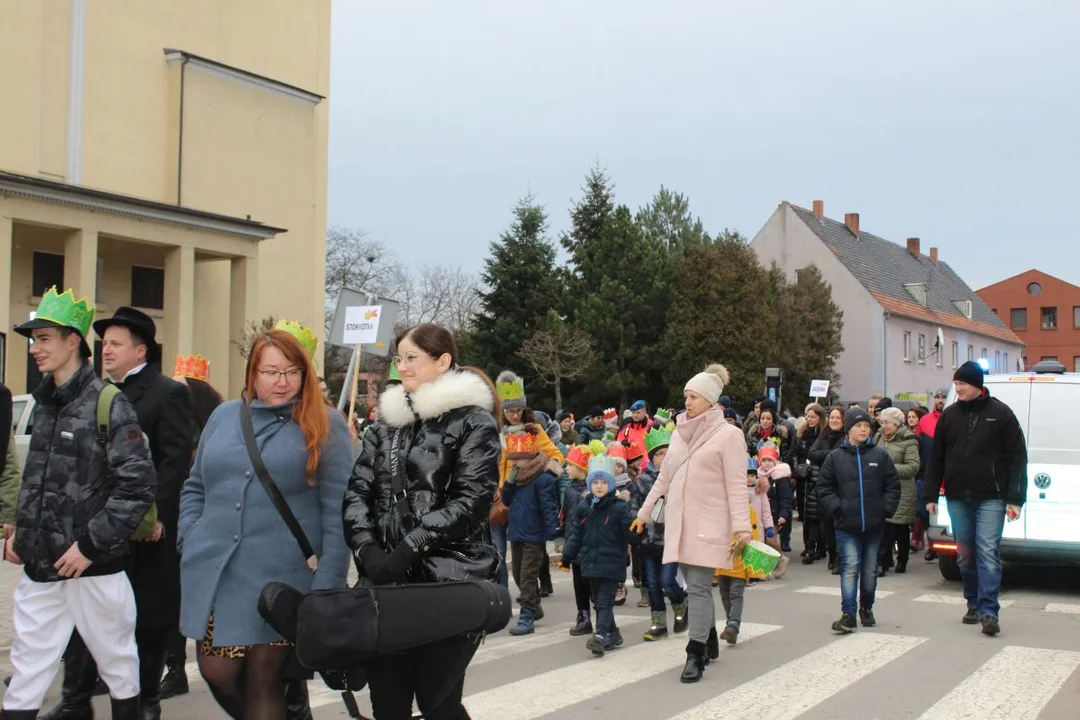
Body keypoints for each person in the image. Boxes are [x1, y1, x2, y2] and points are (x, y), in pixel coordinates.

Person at [179, 324, 354, 719]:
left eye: (292, 372)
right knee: (218, 671)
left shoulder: (326, 425)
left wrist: (326, 585)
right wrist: (189, 535)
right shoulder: (223, 417)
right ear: (253, 374)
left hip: (281, 581)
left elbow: (337, 511)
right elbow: (194, 486)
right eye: (271, 372)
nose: (282, 382)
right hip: (218, 575)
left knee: (264, 681)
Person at [5, 287, 156, 720]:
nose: (36, 348)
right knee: (28, 668)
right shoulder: (45, 403)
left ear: (74, 341)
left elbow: (137, 487)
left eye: (45, 338)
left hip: (95, 569)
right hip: (42, 567)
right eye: (33, 339)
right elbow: (38, 478)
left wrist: (89, 547)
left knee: (119, 667)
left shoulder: (109, 403)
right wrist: (21, 530)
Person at [41, 308, 195, 720]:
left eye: (115, 343)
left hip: (147, 532)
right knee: (86, 612)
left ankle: (145, 702)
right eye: (103, 343)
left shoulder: (167, 393)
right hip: (98, 531)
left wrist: (154, 515)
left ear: (140, 349)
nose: (105, 351)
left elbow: (174, 461)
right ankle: (75, 701)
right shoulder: (88, 392)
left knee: (145, 620)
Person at [343, 323, 500, 720]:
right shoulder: (384, 426)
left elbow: (472, 501)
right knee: (388, 703)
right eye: (400, 357)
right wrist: (368, 548)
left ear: (443, 361)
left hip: (448, 582)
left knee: (438, 702)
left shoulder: (473, 423)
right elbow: (357, 493)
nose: (403, 366)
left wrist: (409, 546)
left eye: (412, 357)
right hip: (385, 585)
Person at [634, 364, 751, 684]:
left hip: (710, 525)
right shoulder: (678, 435)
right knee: (696, 587)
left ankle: (695, 652)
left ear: (710, 401)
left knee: (698, 587)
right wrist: (642, 515)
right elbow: (663, 480)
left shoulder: (729, 435)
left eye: (694, 397)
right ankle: (709, 636)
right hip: (679, 524)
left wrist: (742, 528)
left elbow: (737, 486)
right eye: (686, 396)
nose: (687, 402)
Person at [926, 361, 1027, 637]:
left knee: (988, 552)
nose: (957, 388)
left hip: (991, 497)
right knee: (964, 556)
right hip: (958, 496)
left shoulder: (1001, 414)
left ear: (977, 385)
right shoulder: (949, 416)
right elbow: (935, 458)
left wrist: (1016, 498)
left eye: (962, 384)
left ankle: (989, 611)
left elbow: (1018, 458)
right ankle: (972, 601)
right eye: (956, 384)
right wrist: (931, 494)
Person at [160, 354, 225, 702]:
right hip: (173, 518)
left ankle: (177, 668)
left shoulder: (215, 427)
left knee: (183, 599)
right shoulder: (172, 422)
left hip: (199, 525)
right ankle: (171, 666)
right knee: (168, 598)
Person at [818, 408, 901, 634]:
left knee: (870, 570)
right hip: (847, 525)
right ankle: (848, 613)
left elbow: (893, 486)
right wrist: (838, 508)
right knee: (850, 567)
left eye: (867, 425)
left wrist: (885, 509)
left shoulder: (880, 456)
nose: (864, 429)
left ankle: (867, 607)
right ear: (849, 429)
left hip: (874, 525)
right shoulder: (835, 457)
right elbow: (824, 488)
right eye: (859, 425)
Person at [560, 454, 642, 657]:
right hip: (590, 563)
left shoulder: (619, 508)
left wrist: (639, 531)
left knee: (604, 601)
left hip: (612, 564)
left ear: (611, 485)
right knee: (598, 601)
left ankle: (601, 634)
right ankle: (613, 634)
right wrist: (566, 557)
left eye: (604, 482)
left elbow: (630, 534)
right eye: (595, 482)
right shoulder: (584, 507)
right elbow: (576, 535)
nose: (599, 486)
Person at [493, 370, 563, 593]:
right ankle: (503, 595)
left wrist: (543, 474)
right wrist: (490, 486)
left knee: (526, 552)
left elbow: (556, 456)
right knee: (497, 552)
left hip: (523, 498)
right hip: (496, 498)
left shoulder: (534, 430)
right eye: (509, 410)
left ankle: (530, 596)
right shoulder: (492, 432)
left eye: (518, 410)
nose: (514, 415)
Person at [501, 429, 560, 636]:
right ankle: (534, 606)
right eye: (513, 459)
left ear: (529, 458)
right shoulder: (517, 479)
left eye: (519, 459)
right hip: (517, 533)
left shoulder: (542, 480)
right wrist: (508, 482)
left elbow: (549, 507)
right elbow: (506, 501)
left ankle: (527, 615)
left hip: (534, 536)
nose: (516, 463)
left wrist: (555, 533)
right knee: (517, 574)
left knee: (527, 576)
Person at [632, 428, 688, 641]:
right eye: (658, 454)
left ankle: (680, 601)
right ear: (652, 458)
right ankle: (659, 622)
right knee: (652, 583)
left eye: (667, 453)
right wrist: (636, 523)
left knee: (666, 580)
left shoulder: (680, 477)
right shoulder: (642, 482)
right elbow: (635, 507)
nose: (663, 458)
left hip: (670, 540)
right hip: (648, 540)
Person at [874, 407, 920, 576]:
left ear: (897, 424)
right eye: (882, 422)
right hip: (881, 488)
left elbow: (913, 466)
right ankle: (884, 561)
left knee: (899, 527)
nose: (884, 426)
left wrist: (889, 468)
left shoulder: (909, 441)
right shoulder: (878, 437)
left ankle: (902, 558)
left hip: (902, 490)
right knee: (883, 525)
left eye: (888, 423)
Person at [560, 445, 595, 637]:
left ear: (581, 468)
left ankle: (604, 618)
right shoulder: (569, 491)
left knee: (592, 583)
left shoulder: (594, 488)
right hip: (574, 543)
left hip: (589, 544)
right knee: (579, 584)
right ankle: (584, 617)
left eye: (570, 465)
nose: (566, 469)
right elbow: (566, 518)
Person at [809, 407, 847, 573]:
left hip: (842, 485)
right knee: (827, 524)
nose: (834, 420)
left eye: (838, 418)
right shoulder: (823, 435)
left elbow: (844, 457)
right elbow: (812, 453)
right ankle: (831, 554)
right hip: (825, 484)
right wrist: (831, 454)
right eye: (832, 417)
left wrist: (828, 456)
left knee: (840, 523)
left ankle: (840, 556)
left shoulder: (847, 437)